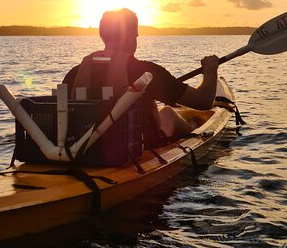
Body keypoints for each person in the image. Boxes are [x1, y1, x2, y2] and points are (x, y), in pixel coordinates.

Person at [62, 8, 219, 149]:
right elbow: (203, 101)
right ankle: (192, 127)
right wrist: (210, 69)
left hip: (86, 149)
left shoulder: (74, 73)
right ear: (132, 35)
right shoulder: (146, 72)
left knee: (164, 111)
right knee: (169, 114)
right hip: (138, 147)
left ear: (102, 35)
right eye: (136, 34)